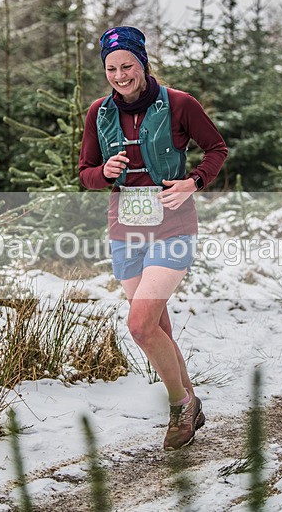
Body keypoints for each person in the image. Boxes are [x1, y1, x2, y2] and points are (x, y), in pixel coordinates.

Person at [79, 26, 228, 450]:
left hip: (172, 225)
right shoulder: (99, 112)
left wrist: (193, 182)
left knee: (140, 324)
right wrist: (103, 173)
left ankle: (180, 405)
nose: (120, 76)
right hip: (124, 225)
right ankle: (191, 402)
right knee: (157, 325)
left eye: (127, 66)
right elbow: (86, 172)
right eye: (111, 68)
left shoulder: (180, 104)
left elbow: (216, 148)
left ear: (142, 63)